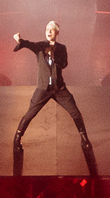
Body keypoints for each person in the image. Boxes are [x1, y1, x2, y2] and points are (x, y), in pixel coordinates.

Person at [11, 19, 91, 160]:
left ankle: (84, 138)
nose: (48, 31)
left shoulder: (62, 48)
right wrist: (20, 40)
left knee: (75, 112)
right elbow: (28, 44)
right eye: (47, 29)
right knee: (30, 114)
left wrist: (55, 59)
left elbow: (65, 63)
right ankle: (17, 138)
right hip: (43, 89)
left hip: (59, 89)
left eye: (51, 29)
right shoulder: (40, 46)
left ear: (57, 32)